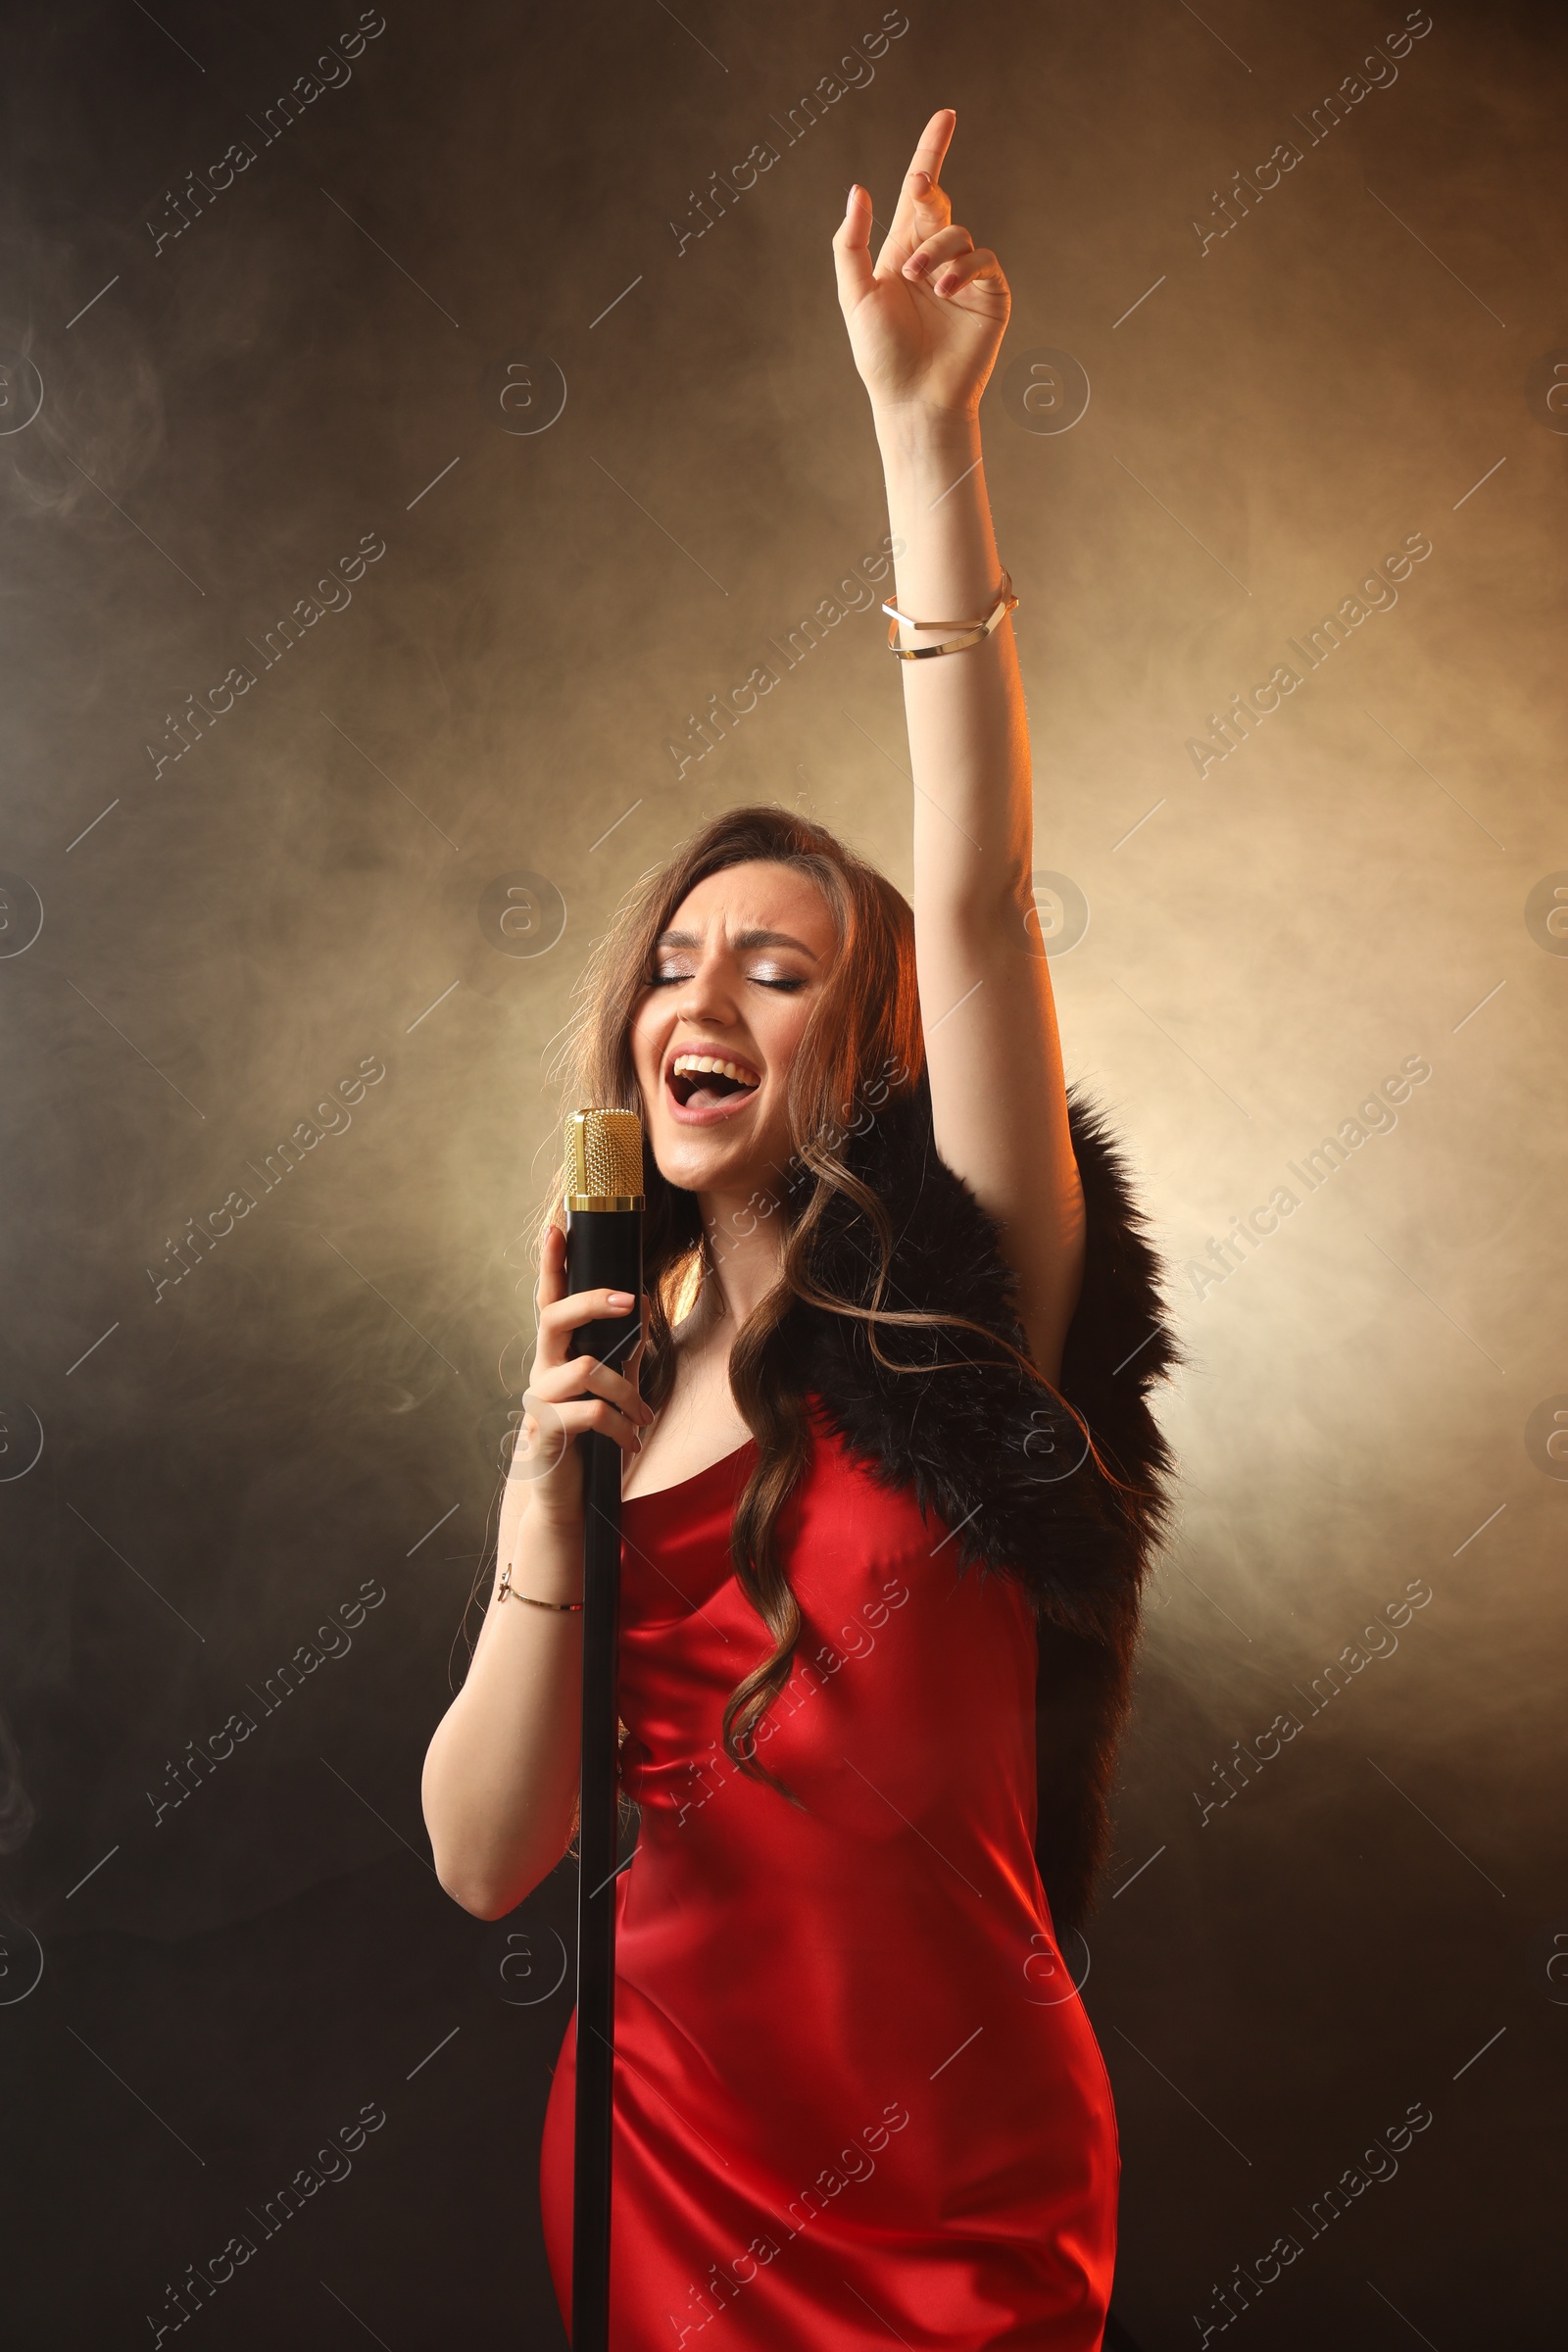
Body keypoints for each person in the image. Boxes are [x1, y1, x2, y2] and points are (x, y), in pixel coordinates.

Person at [421, 109, 1179, 2350]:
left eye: (771, 963)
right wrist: (537, 1507)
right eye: (671, 962)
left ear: (861, 1050)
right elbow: (483, 1861)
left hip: (951, 2204)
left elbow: (968, 896)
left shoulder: (973, 1315)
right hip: (653, 2176)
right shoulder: (611, 1386)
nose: (696, 996)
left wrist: (921, 438)